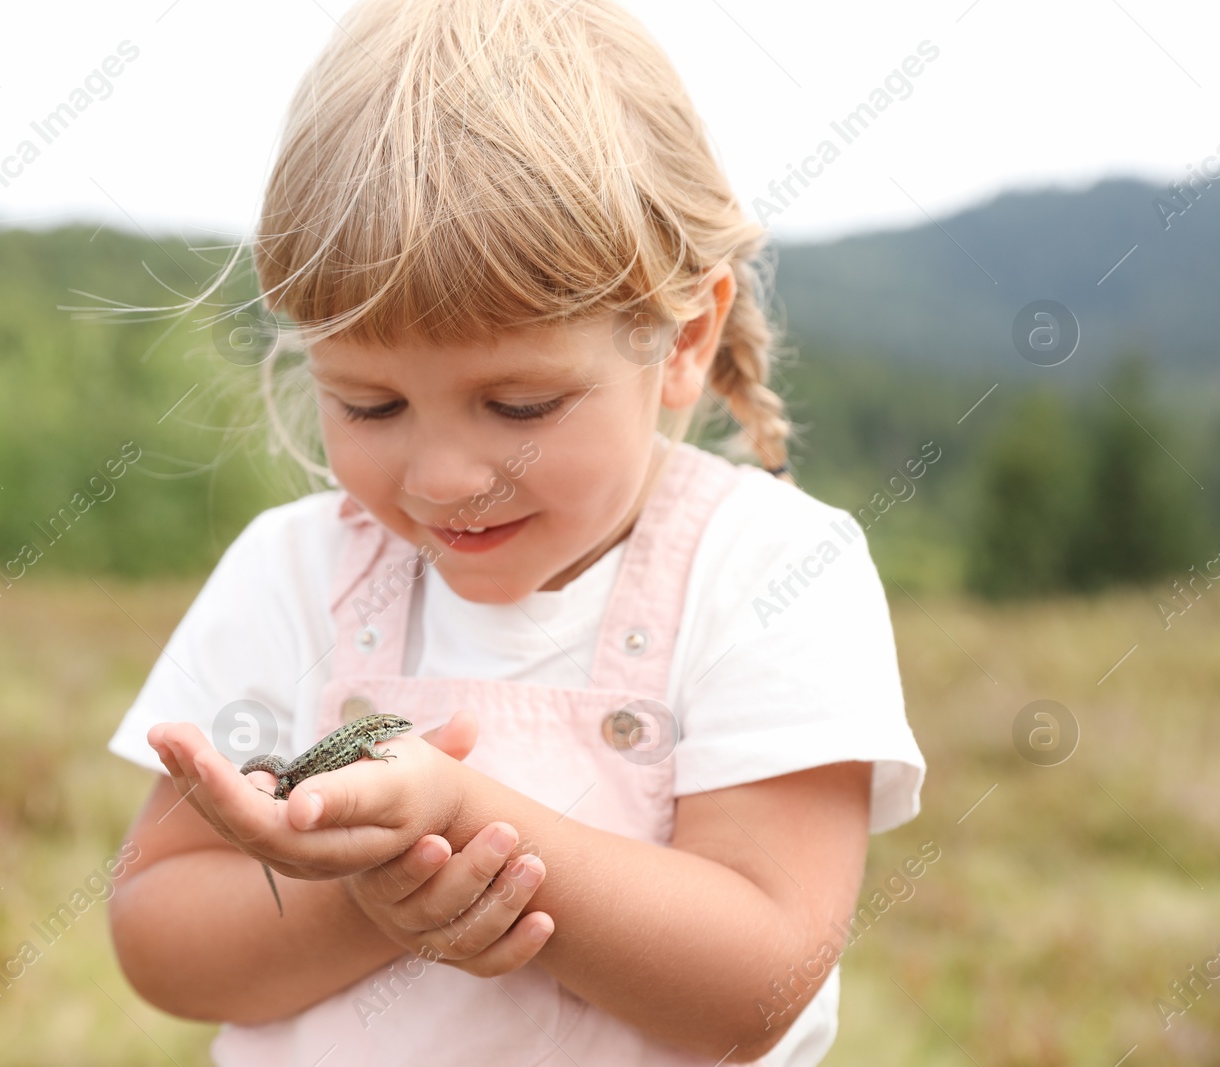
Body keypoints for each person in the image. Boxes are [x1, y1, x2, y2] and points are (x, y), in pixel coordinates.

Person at [105, 0, 925, 1062]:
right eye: (370, 405)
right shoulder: (294, 572)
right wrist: (371, 891)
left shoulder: (769, 569)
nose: (444, 476)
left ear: (683, 337)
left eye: (521, 407)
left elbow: (756, 977)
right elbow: (160, 939)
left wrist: (456, 817)